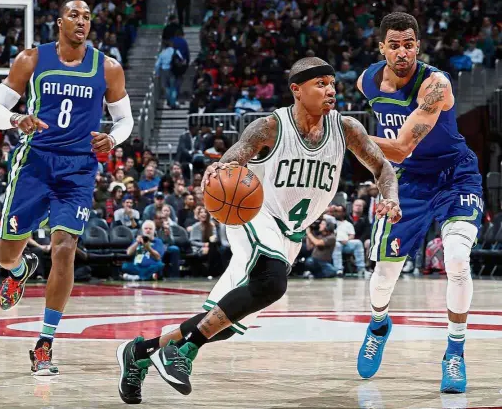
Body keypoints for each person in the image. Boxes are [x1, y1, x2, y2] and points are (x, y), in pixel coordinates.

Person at [115, 56, 402, 404]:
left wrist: (391, 198)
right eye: (321, 84)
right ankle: (183, 353)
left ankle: (140, 352)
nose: (331, 90)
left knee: (222, 322)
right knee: (272, 282)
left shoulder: (346, 129)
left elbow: (383, 169)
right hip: (254, 212)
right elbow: (239, 153)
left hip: (291, 234)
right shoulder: (271, 126)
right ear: (297, 90)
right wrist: (222, 165)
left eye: (332, 83)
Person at [0, 0, 133, 375]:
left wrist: (113, 140)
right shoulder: (30, 60)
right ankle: (19, 271)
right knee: (5, 256)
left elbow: (125, 120)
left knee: (65, 248)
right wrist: (18, 119)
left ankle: (45, 343)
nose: (81, 21)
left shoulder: (108, 68)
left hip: (79, 169)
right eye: (74, 15)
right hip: (34, 164)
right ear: (58, 22)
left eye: (86, 16)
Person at [355, 12, 484, 394]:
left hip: (455, 174)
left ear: (418, 46)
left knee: (458, 259)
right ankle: (379, 324)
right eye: (394, 44)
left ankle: (454, 352)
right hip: (410, 181)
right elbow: (387, 152)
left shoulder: (436, 85)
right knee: (383, 276)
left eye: (409, 43)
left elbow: (399, 147)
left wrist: (343, 132)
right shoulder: (367, 81)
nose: (402, 51)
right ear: (382, 48)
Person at [332, 205, 366, 276]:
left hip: (345, 243)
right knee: (337, 245)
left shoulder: (348, 224)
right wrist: (331, 209)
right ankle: (339, 270)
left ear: (343, 213)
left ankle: (361, 268)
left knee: (358, 242)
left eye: (338, 211)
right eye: (335, 211)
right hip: (334, 244)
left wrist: (346, 240)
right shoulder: (331, 220)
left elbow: (352, 235)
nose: (336, 213)